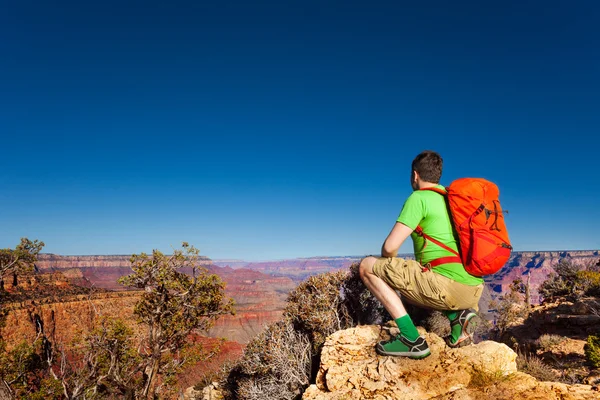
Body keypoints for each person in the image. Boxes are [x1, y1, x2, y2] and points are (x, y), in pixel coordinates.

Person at [359, 150, 484, 359]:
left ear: (415, 175)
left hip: (449, 288)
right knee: (414, 283)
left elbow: (390, 247)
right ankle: (458, 318)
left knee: (367, 266)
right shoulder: (452, 200)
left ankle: (411, 340)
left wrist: (388, 261)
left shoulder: (419, 198)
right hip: (473, 289)